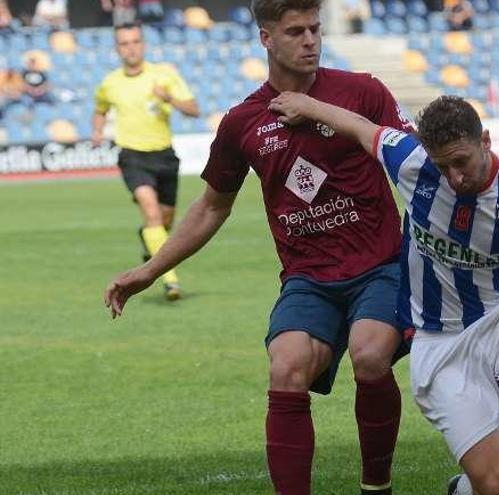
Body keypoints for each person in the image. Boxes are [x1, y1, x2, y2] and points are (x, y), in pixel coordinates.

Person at [104, 1, 416, 494]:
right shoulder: (243, 121)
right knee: (286, 365)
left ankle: (376, 485)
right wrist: (150, 270)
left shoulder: (363, 91)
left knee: (369, 352)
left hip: (380, 266)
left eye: (315, 29)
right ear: (266, 39)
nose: (310, 40)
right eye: (296, 31)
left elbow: (415, 166)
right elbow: (211, 207)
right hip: (309, 278)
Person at [268, 93, 499, 495]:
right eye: (443, 166)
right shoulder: (411, 163)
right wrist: (307, 104)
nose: (454, 177)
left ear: (485, 141)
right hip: (439, 342)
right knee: (496, 483)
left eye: (462, 162)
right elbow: (359, 126)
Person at [93, 22, 200, 300]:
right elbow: (100, 109)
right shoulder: (110, 83)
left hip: (164, 156)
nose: (130, 48)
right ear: (117, 48)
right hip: (132, 156)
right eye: (124, 43)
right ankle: (171, 281)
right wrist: (96, 130)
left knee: (163, 224)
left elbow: (193, 109)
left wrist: (170, 98)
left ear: (143, 44)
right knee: (151, 214)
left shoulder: (164, 75)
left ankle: (148, 242)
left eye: (135, 42)